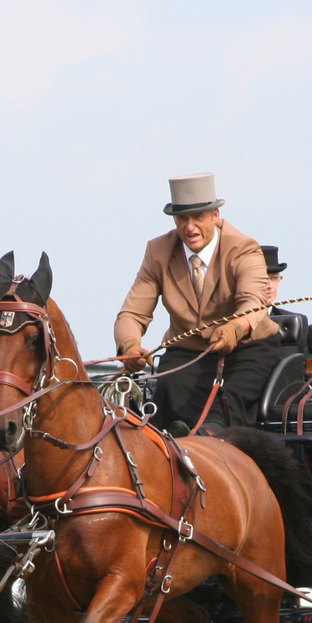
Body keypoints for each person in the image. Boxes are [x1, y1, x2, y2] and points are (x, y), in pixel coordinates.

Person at [115, 173, 282, 434]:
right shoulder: (158, 252)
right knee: (167, 388)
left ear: (215, 215)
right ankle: (174, 443)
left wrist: (235, 328)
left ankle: (211, 437)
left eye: (198, 217)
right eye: (183, 219)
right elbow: (132, 313)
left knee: (229, 396)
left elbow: (254, 302)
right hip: (187, 350)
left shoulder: (244, 248)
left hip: (246, 348)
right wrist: (130, 345)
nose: (190, 227)